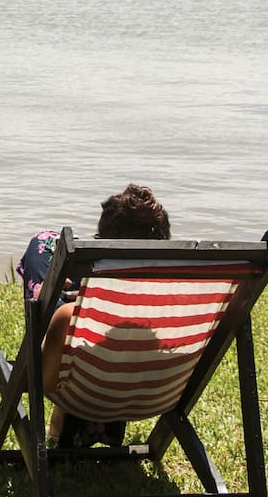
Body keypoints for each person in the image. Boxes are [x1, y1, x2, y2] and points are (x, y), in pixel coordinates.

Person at [16, 184, 171, 448]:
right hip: (151, 387)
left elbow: (63, 323)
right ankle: (78, 291)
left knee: (42, 242)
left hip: (72, 379)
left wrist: (68, 302)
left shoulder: (68, 318)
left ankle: (62, 290)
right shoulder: (176, 290)